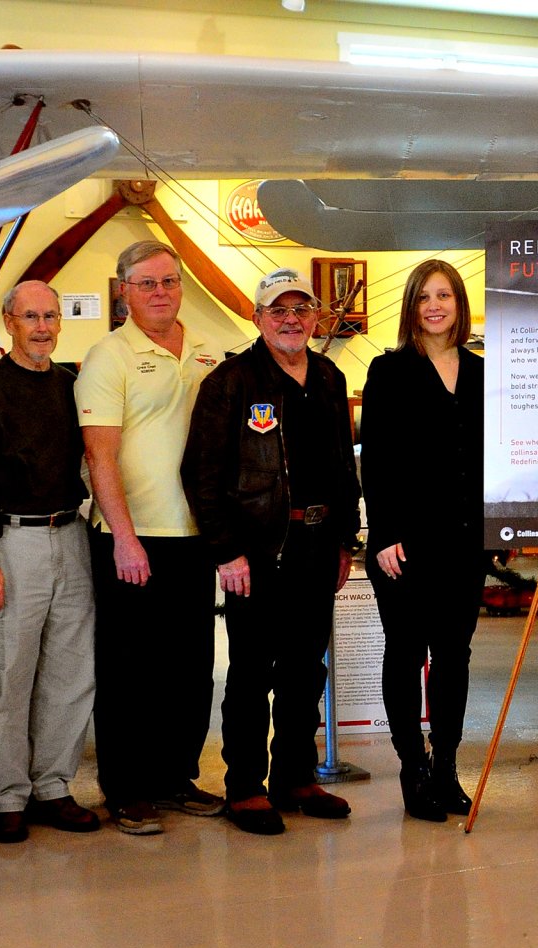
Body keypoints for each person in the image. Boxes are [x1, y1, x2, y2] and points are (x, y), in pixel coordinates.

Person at [184, 268, 361, 836]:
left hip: (317, 543)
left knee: (306, 668)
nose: (291, 320)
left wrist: (345, 539)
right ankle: (244, 787)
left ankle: (296, 776)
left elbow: (343, 467)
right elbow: (201, 474)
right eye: (278, 310)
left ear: (316, 317)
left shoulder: (330, 377)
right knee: (252, 671)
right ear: (258, 318)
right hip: (257, 550)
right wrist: (226, 550)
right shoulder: (231, 382)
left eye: (301, 309)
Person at [75, 240, 224, 835]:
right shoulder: (108, 356)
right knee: (128, 669)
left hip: (196, 534)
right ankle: (127, 788)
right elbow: (99, 455)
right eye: (146, 283)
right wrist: (124, 538)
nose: (160, 292)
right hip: (133, 538)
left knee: (189, 666)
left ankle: (174, 776)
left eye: (168, 281)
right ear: (124, 292)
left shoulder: (209, 350)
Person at [0, 281, 101, 844]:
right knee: (11, 675)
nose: (42, 327)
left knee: (71, 674)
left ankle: (53, 787)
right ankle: (9, 796)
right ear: (10, 322)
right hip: (12, 543)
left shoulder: (71, 386)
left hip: (71, 535)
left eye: (51, 316)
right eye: (30, 317)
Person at [359, 260, 485, 823]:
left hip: (464, 543)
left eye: (444, 296)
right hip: (404, 545)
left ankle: (446, 767)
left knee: (454, 657)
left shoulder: (481, 372)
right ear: (411, 307)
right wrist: (384, 533)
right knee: (406, 653)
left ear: (459, 304)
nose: (434, 306)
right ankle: (413, 769)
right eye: (424, 297)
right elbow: (378, 460)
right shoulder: (389, 371)